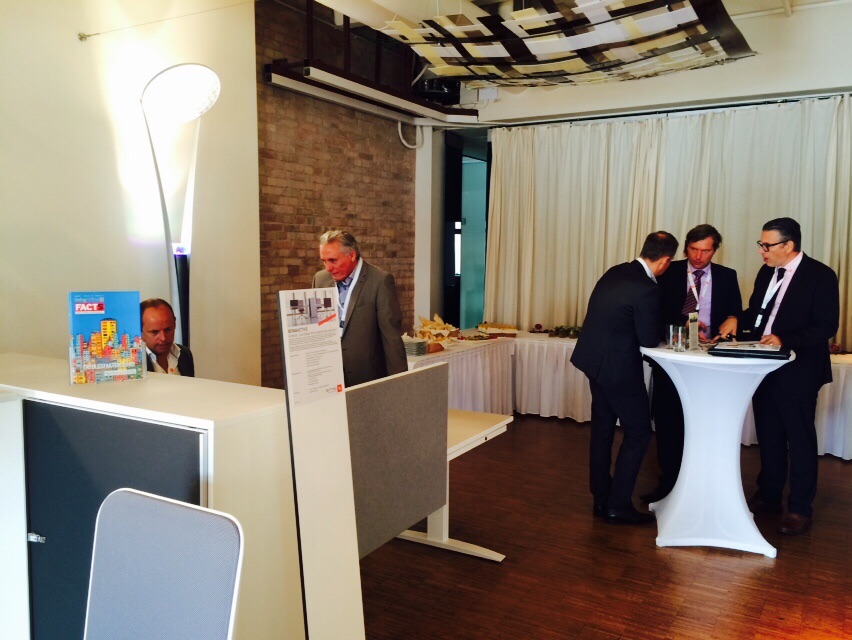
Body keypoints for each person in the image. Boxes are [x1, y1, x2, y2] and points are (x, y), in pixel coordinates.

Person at [716, 217, 839, 535]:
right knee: (768, 434)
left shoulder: (820, 276)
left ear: (789, 245)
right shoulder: (766, 272)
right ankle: (769, 496)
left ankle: (799, 508)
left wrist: (785, 339)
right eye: (761, 244)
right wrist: (735, 318)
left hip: (799, 370)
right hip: (763, 366)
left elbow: (826, 326)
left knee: (799, 438)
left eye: (767, 245)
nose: (761, 251)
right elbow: (759, 314)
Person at [570, 231, 679, 525]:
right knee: (639, 433)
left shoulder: (616, 271)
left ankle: (601, 498)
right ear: (665, 261)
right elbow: (648, 339)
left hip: (594, 363)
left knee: (602, 430)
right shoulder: (647, 288)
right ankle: (618, 505)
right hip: (618, 370)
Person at [643, 224, 742, 502]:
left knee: (706, 423)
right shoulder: (668, 271)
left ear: (715, 250)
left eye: (705, 251)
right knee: (668, 422)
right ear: (686, 248)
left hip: (710, 362)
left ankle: (704, 484)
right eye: (694, 249)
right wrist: (680, 325)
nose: (699, 256)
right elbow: (652, 313)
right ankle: (668, 483)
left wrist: (734, 318)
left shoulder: (727, 276)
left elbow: (736, 311)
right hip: (673, 358)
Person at [312, 230, 407, 387]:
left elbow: (391, 337)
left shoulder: (380, 281)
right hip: (330, 375)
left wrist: (400, 384)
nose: (328, 268)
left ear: (351, 255)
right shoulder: (320, 279)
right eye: (324, 261)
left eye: (333, 260)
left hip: (367, 377)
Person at [140, 298, 195, 376]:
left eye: (167, 330)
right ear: (140, 331)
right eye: (155, 332)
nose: (163, 338)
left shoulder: (184, 354)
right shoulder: (134, 362)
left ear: (175, 325)